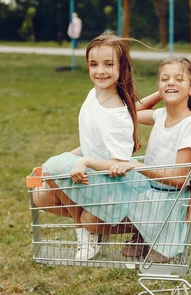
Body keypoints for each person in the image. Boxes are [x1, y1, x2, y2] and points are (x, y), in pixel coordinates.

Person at [32, 32, 141, 261]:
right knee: (41, 194)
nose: (100, 71)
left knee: (59, 174)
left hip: (110, 183)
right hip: (90, 179)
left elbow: (121, 164)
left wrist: (84, 162)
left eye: (108, 64)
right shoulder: (93, 95)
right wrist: (63, 159)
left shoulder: (118, 115)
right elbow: (89, 145)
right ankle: (87, 228)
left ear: (121, 67)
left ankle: (88, 231)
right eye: (94, 64)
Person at [108, 56, 191, 263]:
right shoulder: (160, 115)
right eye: (164, 79)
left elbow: (180, 179)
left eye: (179, 79)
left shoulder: (189, 124)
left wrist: (138, 166)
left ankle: (156, 235)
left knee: (156, 260)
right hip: (150, 191)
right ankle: (145, 232)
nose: (170, 82)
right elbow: (131, 112)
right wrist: (162, 94)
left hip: (169, 199)